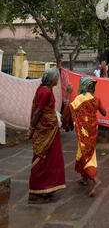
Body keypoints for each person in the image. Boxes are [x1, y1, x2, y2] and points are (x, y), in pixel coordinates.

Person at [26, 68, 66, 204]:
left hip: (49, 129)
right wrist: (31, 128)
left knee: (49, 160)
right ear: (52, 79)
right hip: (46, 130)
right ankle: (35, 193)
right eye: (57, 77)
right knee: (41, 160)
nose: (58, 80)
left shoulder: (43, 89)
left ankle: (43, 190)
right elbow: (38, 111)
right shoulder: (45, 92)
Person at [63, 77, 106, 197]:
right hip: (93, 131)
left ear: (83, 87)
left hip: (83, 131)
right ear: (93, 88)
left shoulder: (80, 98)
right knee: (86, 152)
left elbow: (69, 110)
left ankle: (95, 180)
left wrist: (69, 94)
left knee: (85, 154)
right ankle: (84, 178)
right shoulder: (96, 99)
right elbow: (104, 113)